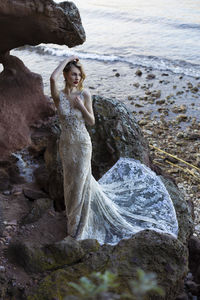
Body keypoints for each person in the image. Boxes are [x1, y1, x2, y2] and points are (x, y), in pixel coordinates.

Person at [50, 56, 178, 245]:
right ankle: (73, 219)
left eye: (79, 74)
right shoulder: (59, 96)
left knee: (80, 181)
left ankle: (77, 227)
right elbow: (52, 78)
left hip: (82, 144)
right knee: (70, 182)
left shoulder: (84, 94)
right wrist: (67, 58)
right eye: (73, 74)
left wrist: (80, 107)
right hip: (66, 145)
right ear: (66, 75)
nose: (77, 78)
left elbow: (91, 121)